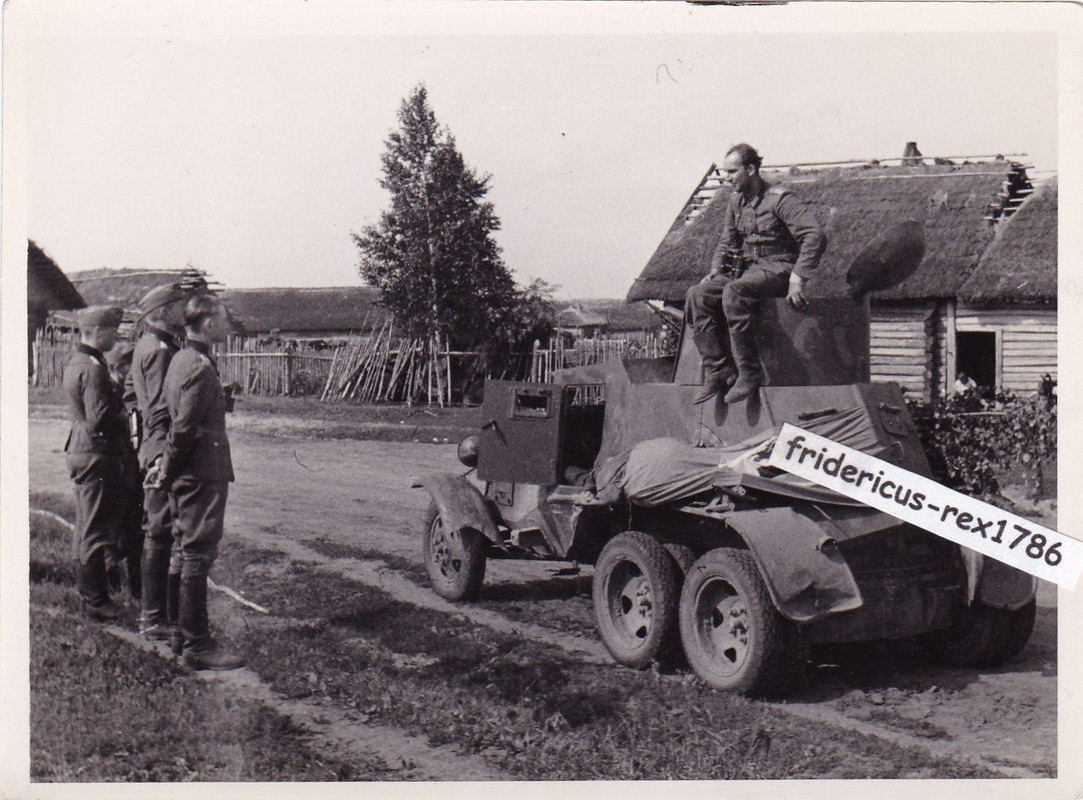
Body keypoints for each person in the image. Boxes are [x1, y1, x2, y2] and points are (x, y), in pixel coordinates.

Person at [685, 143, 827, 404]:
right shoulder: (736, 201)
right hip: (749, 271)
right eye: (725, 173)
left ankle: (749, 373)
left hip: (779, 268)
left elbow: (814, 235)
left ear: (750, 169)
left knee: (734, 292)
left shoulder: (781, 199)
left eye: (732, 172)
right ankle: (718, 370)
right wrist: (716, 270)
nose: (727, 179)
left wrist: (798, 278)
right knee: (698, 294)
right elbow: (727, 241)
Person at [147, 294, 245, 670]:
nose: (227, 325)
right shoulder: (199, 366)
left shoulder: (181, 359)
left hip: (190, 470)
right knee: (197, 553)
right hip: (201, 472)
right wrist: (167, 469)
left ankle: (178, 633)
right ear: (206, 323)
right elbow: (184, 429)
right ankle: (197, 646)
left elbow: (179, 416)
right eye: (222, 319)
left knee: (181, 550)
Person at [130, 283, 189, 648]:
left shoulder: (151, 345)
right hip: (161, 446)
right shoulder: (160, 351)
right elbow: (160, 409)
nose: (185, 311)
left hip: (155, 445)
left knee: (160, 528)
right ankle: (154, 619)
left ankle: (158, 614)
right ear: (164, 311)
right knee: (160, 529)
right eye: (179, 305)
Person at [62, 306, 128, 620]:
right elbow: (100, 418)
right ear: (97, 331)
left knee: (86, 523)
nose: (116, 336)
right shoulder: (93, 368)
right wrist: (125, 413)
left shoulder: (77, 362)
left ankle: (89, 591)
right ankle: (96, 599)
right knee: (94, 526)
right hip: (96, 450)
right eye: (112, 330)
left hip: (80, 448)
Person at [105, 341, 143, 603]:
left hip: (132, 469)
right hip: (116, 470)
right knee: (113, 528)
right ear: (120, 368)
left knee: (134, 527)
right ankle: (111, 582)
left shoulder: (131, 391)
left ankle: (136, 585)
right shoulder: (109, 391)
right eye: (130, 366)